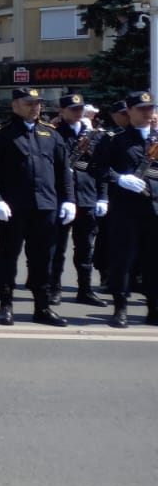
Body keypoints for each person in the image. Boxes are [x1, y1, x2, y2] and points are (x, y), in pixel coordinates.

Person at [0, 86, 74, 327]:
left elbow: (63, 170)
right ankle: (6, 304)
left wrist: (69, 200)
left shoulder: (50, 133)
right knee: (8, 257)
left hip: (45, 206)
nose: (35, 107)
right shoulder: (0, 133)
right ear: (15, 106)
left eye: (37, 103)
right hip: (13, 207)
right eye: (29, 103)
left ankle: (42, 307)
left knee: (43, 259)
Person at [95, 90, 158, 328]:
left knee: (154, 261)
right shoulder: (114, 139)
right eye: (141, 109)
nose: (147, 112)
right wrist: (119, 178)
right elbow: (97, 168)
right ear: (129, 111)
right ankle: (120, 308)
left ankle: (153, 308)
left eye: (150, 108)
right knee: (123, 260)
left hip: (155, 210)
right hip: (126, 211)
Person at [49, 93, 107, 308]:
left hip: (87, 196)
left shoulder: (94, 135)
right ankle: (54, 289)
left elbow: (101, 169)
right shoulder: (52, 133)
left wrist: (103, 197)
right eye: (73, 109)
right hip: (61, 198)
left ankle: (85, 290)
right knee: (57, 248)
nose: (77, 113)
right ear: (62, 111)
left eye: (80, 109)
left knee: (85, 248)